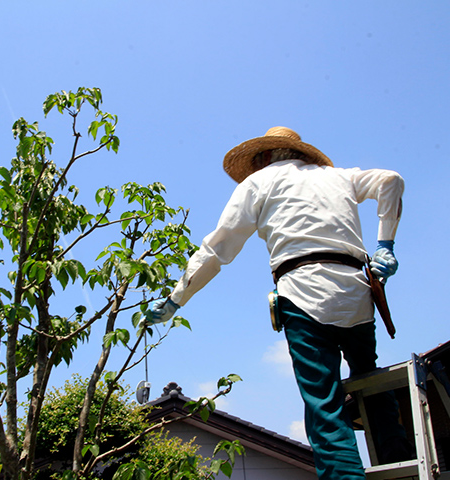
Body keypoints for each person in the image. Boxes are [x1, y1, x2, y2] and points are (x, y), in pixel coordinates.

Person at [146, 127, 410, 479]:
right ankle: (398, 456)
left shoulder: (258, 183)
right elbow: (391, 180)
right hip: (357, 291)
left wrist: (175, 299)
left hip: (302, 291)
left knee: (324, 402)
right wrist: (386, 246)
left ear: (266, 156)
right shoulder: (338, 176)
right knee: (369, 376)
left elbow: (216, 250)